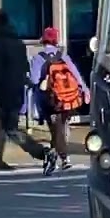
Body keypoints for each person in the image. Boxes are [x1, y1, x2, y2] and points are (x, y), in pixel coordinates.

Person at [0, 10, 56, 182]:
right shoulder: (18, 44)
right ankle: (43, 153)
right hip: (16, 93)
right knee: (11, 129)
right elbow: (24, 68)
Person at [29, 27, 89, 173]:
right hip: (67, 99)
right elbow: (76, 75)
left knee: (57, 129)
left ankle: (62, 158)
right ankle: (57, 157)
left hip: (49, 100)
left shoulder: (38, 58)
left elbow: (34, 79)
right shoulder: (64, 56)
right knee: (60, 128)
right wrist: (85, 90)